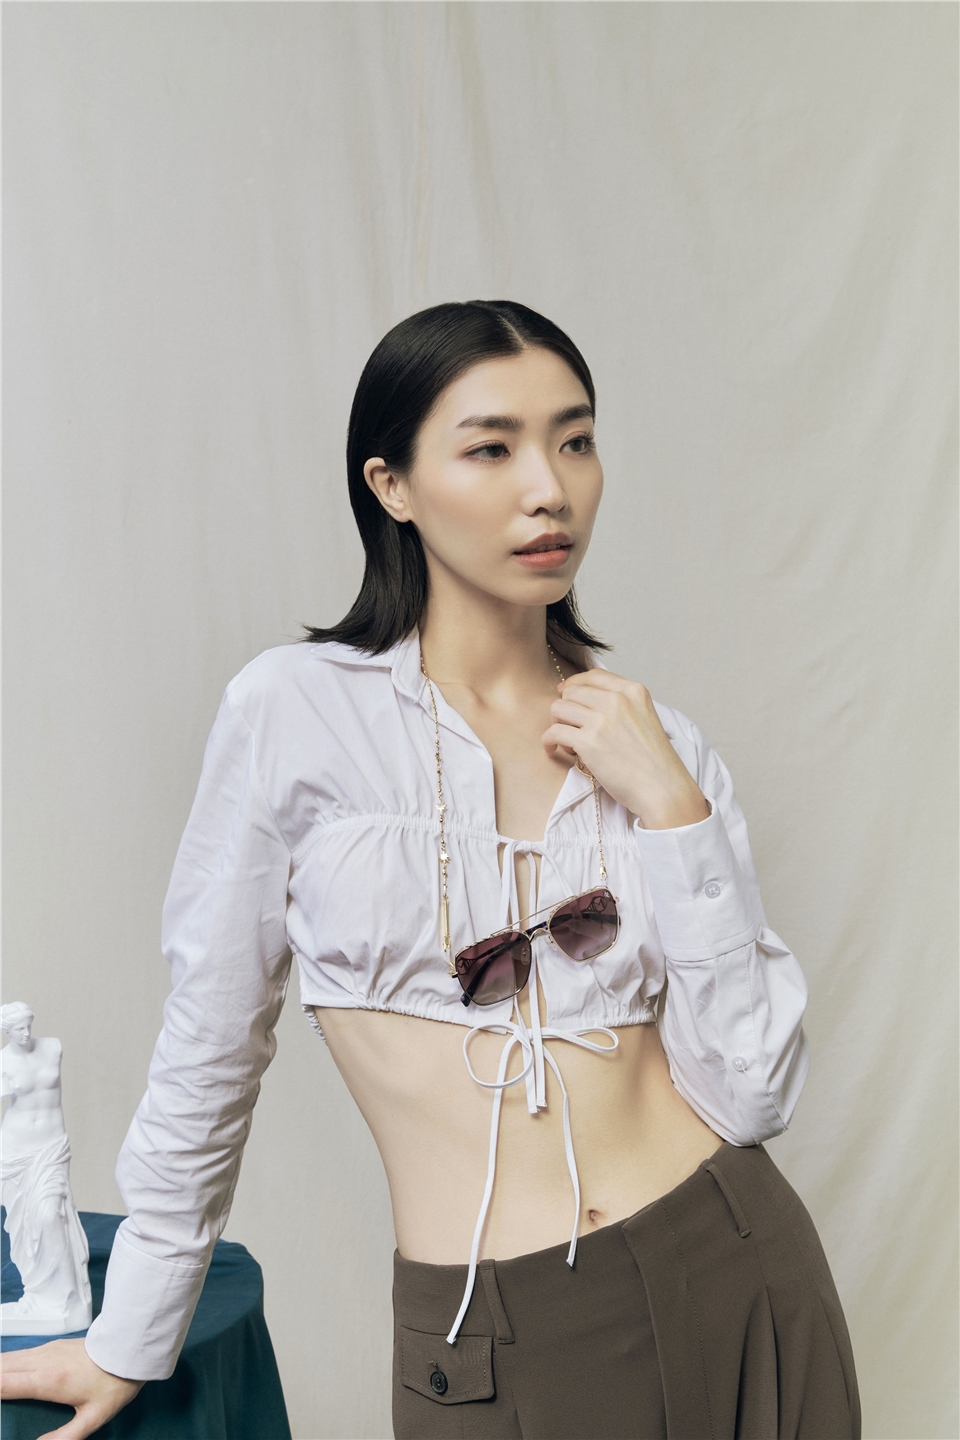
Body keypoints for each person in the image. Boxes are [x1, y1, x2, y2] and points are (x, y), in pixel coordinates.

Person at [0, 300, 860, 1439]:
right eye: (492, 448)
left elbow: (753, 1093)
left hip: (743, 1269)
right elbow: (211, 1039)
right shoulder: (294, 712)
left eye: (575, 439)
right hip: (496, 1323)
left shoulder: (659, 745)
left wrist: (673, 809)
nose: (549, 488)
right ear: (392, 485)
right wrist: (132, 1337)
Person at [1, 1003, 92, 1336]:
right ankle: (40, 1295)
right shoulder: (3, 1062)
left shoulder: (52, 1047)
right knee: (25, 1227)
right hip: (16, 1152)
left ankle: (65, 1297)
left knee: (49, 1215)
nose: (26, 1033)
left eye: (29, 1026)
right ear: (6, 1031)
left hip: (51, 1149)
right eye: (18, 1029)